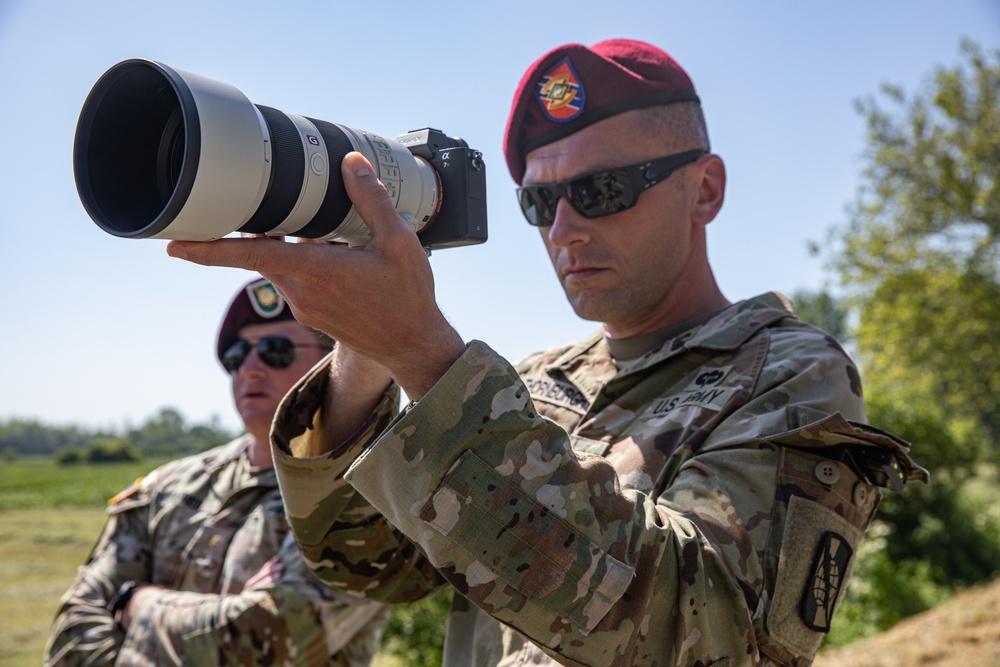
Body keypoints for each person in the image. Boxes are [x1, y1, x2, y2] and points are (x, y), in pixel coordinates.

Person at [165, 40, 927, 666]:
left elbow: (709, 632)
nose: (562, 228)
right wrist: (367, 353)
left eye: (601, 190)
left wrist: (424, 354)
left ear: (705, 189)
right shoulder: (532, 384)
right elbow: (366, 562)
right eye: (539, 201)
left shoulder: (789, 373)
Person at [44, 277, 389, 667]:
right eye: (238, 354)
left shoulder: (356, 500)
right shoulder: (166, 485)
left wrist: (137, 602)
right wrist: (223, 612)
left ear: (335, 360)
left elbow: (265, 640)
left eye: (276, 350)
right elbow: (73, 632)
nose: (250, 368)